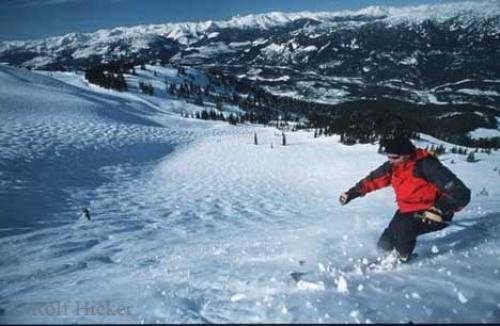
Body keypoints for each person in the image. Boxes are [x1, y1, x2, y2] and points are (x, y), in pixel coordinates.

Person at [339, 136, 471, 261]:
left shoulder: (427, 166)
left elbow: (460, 193)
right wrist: (351, 193)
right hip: (407, 210)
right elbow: (372, 180)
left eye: (394, 157)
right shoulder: (393, 166)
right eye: (388, 156)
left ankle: (401, 260)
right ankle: (381, 256)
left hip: (432, 212)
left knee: (405, 228)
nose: (390, 160)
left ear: (407, 155)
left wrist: (439, 209)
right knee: (388, 238)